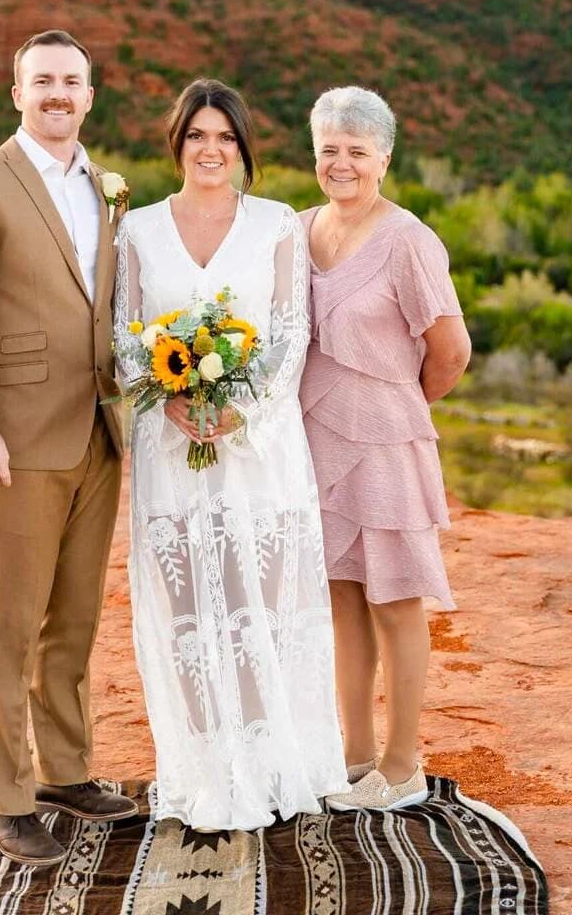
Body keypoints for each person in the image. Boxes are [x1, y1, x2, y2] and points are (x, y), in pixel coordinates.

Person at [0, 29, 137, 867]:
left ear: (90, 95)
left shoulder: (103, 187)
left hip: (96, 431)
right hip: (12, 438)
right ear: (17, 94)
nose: (57, 94)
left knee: (73, 620)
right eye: (41, 81)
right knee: (9, 624)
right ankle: (6, 801)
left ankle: (66, 772)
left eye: (71, 81)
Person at [114, 78, 347, 831]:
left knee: (260, 608)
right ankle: (206, 773)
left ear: (242, 148)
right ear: (176, 144)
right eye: (196, 136)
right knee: (188, 611)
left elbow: (289, 334)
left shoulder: (277, 224)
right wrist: (175, 400)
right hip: (167, 446)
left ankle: (274, 766)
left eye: (224, 137)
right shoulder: (138, 230)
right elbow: (123, 336)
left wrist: (237, 408)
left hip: (260, 448)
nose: (210, 150)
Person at [299, 86, 471, 813]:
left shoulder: (408, 240)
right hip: (315, 441)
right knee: (340, 600)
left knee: (396, 601)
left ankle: (400, 768)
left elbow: (451, 350)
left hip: (388, 442)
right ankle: (354, 754)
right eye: (329, 149)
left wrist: (397, 402)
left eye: (356, 152)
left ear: (384, 158)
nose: (341, 163)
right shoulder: (300, 228)